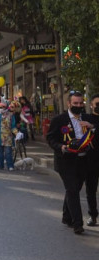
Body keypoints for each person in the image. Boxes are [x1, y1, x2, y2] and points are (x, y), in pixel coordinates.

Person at [46, 91, 96, 235]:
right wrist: (61, 147)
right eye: (75, 103)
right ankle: (77, 224)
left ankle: (66, 216)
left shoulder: (87, 118)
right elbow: (50, 138)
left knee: (73, 189)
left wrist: (92, 127)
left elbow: (95, 131)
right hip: (66, 161)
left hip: (83, 160)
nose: (78, 106)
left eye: (81, 103)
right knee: (72, 190)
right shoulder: (59, 120)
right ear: (69, 104)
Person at [85, 94, 99, 226]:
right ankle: (93, 215)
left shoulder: (90, 123)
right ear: (91, 105)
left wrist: (93, 128)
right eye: (97, 104)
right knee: (91, 190)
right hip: (91, 160)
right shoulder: (86, 118)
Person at [0, 102, 16, 171]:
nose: (0, 109)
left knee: (8, 152)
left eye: (2, 107)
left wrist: (17, 133)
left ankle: (10, 165)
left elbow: (13, 126)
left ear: (6, 107)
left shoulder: (11, 115)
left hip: (7, 136)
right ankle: (0, 165)